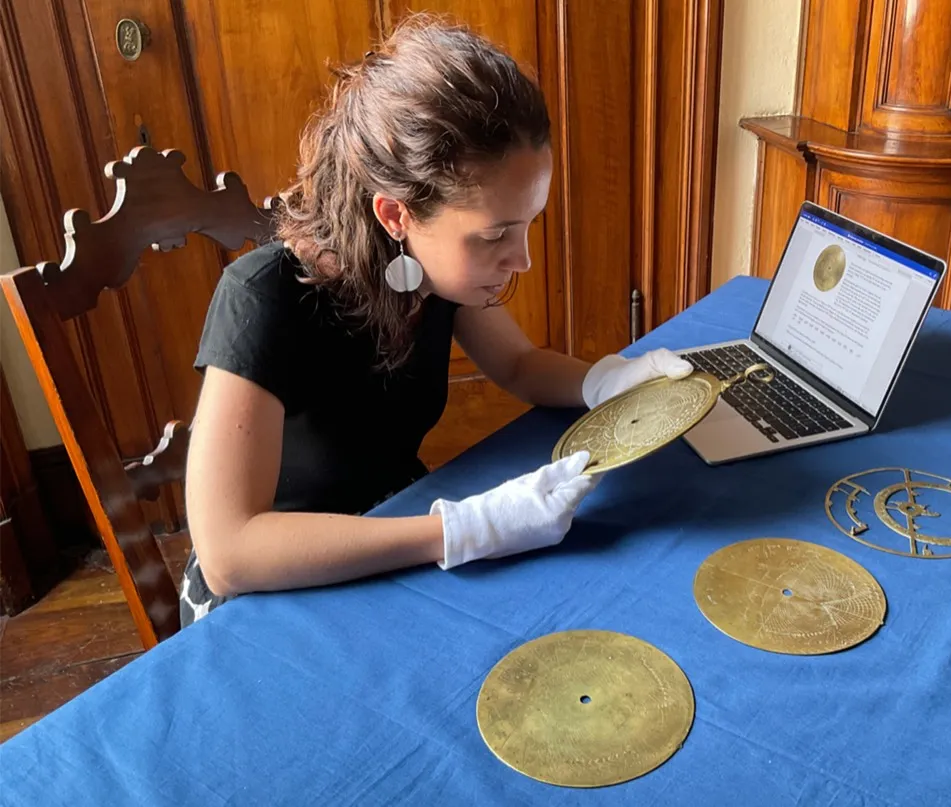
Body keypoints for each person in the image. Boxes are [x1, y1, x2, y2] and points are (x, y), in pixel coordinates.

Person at [180, 18, 692, 626]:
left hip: (393, 525)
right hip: (274, 587)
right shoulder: (263, 298)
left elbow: (521, 366)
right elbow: (229, 553)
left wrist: (606, 382)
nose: (521, 259)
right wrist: (463, 529)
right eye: (496, 234)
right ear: (396, 214)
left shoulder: (431, 269)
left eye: (528, 224)